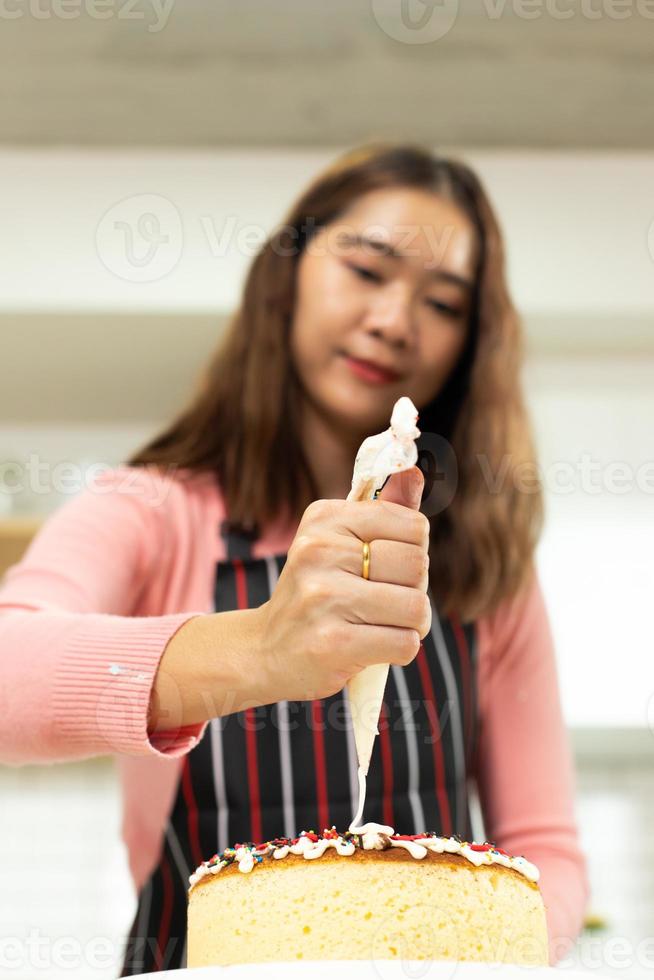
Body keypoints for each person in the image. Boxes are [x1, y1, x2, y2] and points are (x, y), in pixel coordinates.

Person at [0, 143, 589, 972]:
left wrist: (493, 955)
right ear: (287, 273)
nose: (395, 320)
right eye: (368, 268)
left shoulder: (486, 570)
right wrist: (263, 649)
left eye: (446, 303)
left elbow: (547, 848)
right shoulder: (149, 512)